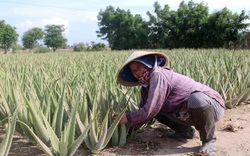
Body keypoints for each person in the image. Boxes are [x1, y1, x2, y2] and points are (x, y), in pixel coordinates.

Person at [115, 51, 225, 156]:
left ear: (147, 63)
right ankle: (185, 131)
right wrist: (127, 130)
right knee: (157, 110)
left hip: (212, 107)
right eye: (133, 71)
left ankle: (209, 140)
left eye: (138, 67)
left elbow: (151, 109)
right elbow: (144, 110)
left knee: (196, 99)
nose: (137, 72)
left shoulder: (158, 75)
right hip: (186, 114)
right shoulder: (145, 87)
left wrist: (127, 118)